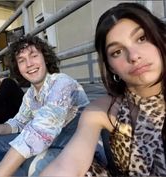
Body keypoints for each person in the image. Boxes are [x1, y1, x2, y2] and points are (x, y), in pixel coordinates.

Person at [40, 2, 166, 176]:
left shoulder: (61, 83)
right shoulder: (101, 110)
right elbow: (69, 163)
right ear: (111, 67)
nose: (134, 56)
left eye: (141, 38)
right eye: (117, 52)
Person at [0, 35, 89, 176]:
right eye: (22, 60)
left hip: (74, 145)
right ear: (18, 68)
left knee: (35, 164)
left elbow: (41, 129)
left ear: (45, 57)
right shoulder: (29, 96)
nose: (29, 64)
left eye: (34, 56)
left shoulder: (62, 82)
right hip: (49, 143)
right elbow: (18, 123)